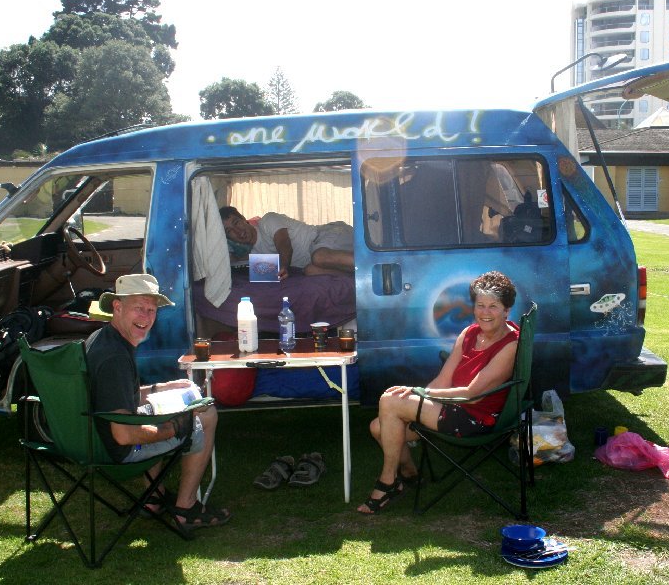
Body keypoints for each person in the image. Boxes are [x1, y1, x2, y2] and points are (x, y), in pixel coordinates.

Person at [357, 271, 520, 514]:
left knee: (389, 401)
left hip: (475, 418)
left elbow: (471, 394)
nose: (485, 312)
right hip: (455, 406)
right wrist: (419, 394)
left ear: (506, 310)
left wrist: (419, 394)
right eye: (480, 305)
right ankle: (409, 473)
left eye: (493, 306)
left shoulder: (510, 344)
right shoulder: (469, 333)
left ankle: (388, 483)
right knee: (378, 427)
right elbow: (444, 379)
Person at [86, 273, 231, 529]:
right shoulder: (115, 359)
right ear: (117, 307)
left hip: (94, 434)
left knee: (162, 405)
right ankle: (185, 508)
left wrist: (161, 388)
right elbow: (124, 435)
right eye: (138, 308)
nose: (146, 317)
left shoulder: (102, 339)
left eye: (151, 310)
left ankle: (154, 496)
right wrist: (173, 427)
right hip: (117, 449)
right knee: (205, 414)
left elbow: (117, 397)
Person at [220, 206, 354, 279]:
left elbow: (284, 243)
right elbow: (237, 264)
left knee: (319, 257)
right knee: (310, 271)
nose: (237, 231)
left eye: (236, 223)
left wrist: (284, 265)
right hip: (318, 258)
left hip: (329, 233)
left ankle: (367, 264)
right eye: (229, 231)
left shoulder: (268, 220)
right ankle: (358, 275)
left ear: (244, 219)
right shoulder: (255, 254)